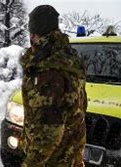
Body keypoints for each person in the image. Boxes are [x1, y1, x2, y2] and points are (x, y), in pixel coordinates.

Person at [21, 5, 87, 166]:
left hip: (54, 160)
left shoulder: (48, 67)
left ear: (35, 33)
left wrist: (30, 163)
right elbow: (81, 105)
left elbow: (49, 130)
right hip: (71, 153)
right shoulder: (68, 56)